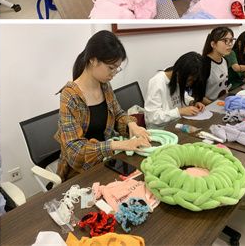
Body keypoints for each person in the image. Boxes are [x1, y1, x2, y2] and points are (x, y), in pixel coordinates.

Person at [55, 31, 151, 181]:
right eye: (111, 68)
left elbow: (118, 113)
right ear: (93, 60)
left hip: (108, 160)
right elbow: (75, 151)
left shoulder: (104, 85)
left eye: (117, 68)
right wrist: (117, 145)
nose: (114, 73)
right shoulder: (70, 96)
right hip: (82, 171)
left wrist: (132, 125)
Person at [144, 52, 206, 129]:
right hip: (160, 129)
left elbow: (183, 95)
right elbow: (153, 117)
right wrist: (179, 111)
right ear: (178, 73)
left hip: (176, 123)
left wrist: (192, 102)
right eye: (189, 80)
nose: (189, 84)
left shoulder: (177, 77)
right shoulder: (157, 83)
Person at [201, 26, 234, 104]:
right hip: (209, 106)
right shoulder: (204, 64)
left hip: (222, 102)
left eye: (231, 40)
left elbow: (224, 87)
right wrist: (215, 105)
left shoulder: (225, 60)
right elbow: (198, 96)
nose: (230, 44)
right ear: (213, 44)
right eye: (225, 41)